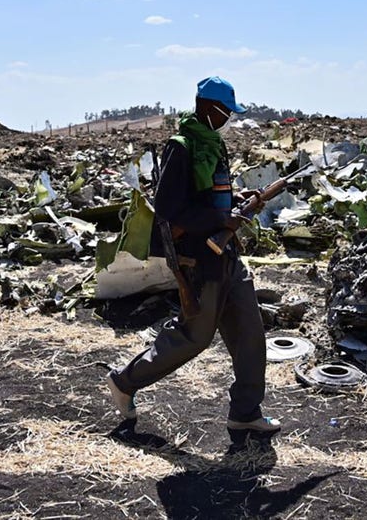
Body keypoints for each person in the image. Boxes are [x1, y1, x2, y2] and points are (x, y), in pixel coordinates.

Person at [106, 76, 281, 434]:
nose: (228, 118)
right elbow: (170, 209)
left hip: (227, 254)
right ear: (206, 107)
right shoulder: (182, 147)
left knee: (249, 331)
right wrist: (221, 218)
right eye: (224, 111)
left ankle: (245, 412)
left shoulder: (214, 144)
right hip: (200, 261)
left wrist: (236, 201)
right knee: (194, 337)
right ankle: (125, 382)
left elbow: (211, 196)